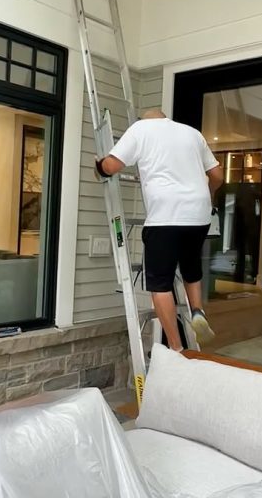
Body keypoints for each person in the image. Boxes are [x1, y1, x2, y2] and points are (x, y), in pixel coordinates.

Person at [95, 109, 224, 351]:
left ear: (144, 119)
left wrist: (99, 166)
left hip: (165, 216)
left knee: (161, 284)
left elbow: (111, 166)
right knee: (190, 266)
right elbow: (217, 175)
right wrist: (209, 194)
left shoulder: (140, 129)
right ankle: (197, 311)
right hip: (198, 214)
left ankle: (176, 347)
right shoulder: (192, 133)